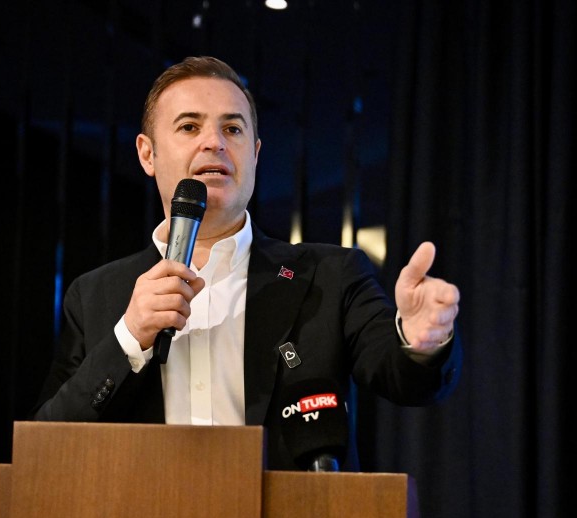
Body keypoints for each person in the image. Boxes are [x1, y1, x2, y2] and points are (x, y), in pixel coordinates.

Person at [31, 56, 462, 471]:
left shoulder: (329, 277)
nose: (214, 142)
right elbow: (45, 447)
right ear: (147, 154)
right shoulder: (96, 295)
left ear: (254, 154)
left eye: (232, 129)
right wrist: (129, 339)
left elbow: (403, 379)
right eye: (189, 126)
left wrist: (421, 342)